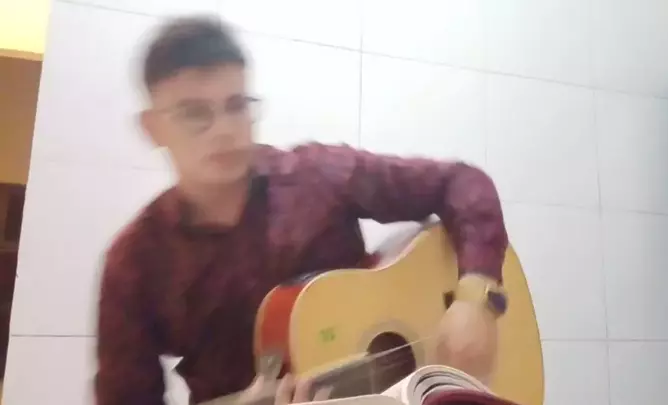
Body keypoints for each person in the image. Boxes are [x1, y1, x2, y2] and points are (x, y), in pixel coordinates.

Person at [95, 16, 509, 405]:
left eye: (237, 105)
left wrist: (475, 298)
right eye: (194, 114)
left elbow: (462, 183)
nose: (223, 129)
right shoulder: (135, 264)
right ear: (153, 127)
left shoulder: (317, 176)